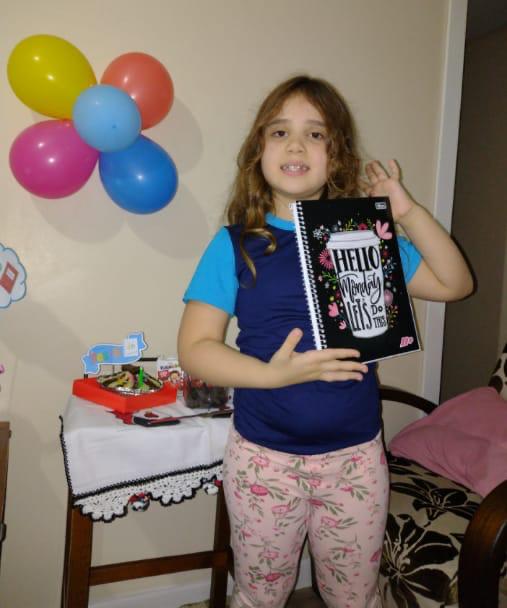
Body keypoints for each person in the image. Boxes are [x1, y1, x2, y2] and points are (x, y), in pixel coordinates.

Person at [177, 75, 472, 608]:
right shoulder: (235, 244)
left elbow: (455, 284)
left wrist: (405, 212)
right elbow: (196, 348)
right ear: (258, 152)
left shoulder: (363, 238)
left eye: (315, 134)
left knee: (355, 597)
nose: (296, 145)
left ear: (336, 156)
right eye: (280, 132)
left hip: (355, 458)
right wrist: (272, 374)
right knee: (260, 596)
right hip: (263, 459)